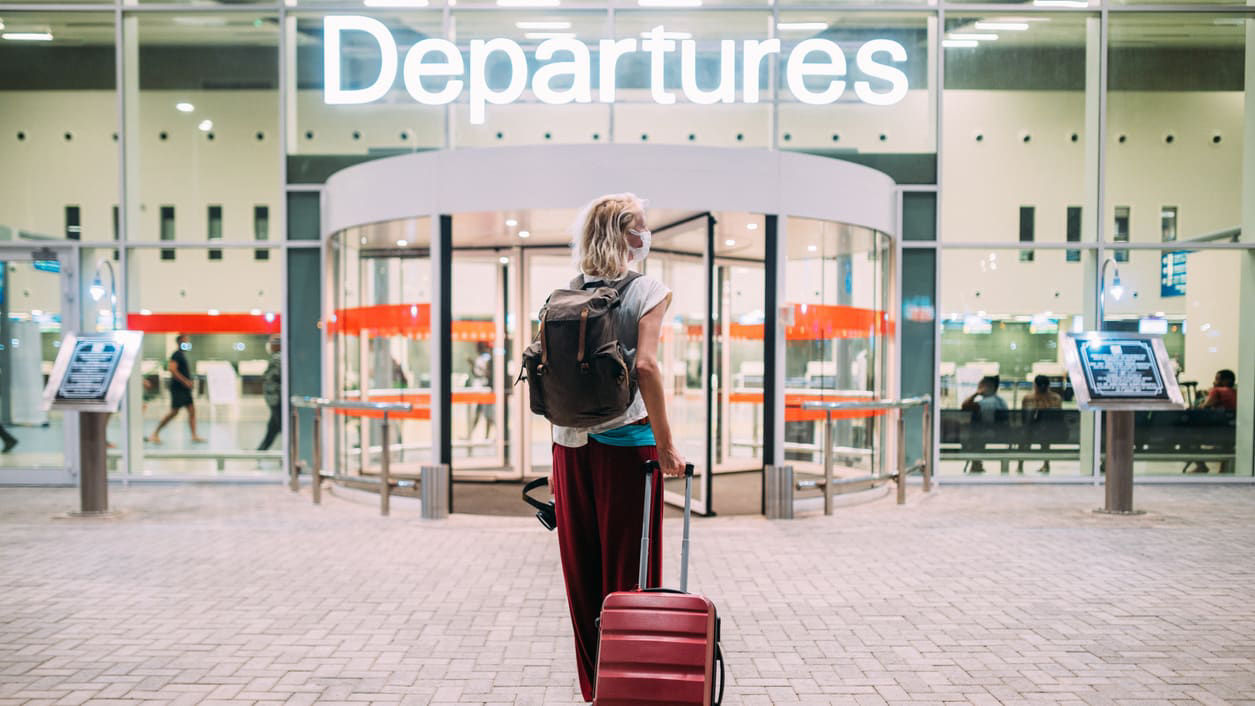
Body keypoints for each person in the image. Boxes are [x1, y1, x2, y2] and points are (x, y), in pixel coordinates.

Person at [549, 193, 685, 702]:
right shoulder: (648, 288)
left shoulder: (568, 291)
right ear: (624, 236)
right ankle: (630, 685)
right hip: (626, 445)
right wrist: (667, 447)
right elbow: (646, 367)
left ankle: (596, 686)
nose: (646, 235)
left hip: (569, 447)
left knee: (581, 571)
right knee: (630, 570)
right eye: (641, 227)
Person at [147, 334, 206, 444]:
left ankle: (194, 435)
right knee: (174, 412)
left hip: (185, 389)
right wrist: (185, 381)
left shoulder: (182, 355)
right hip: (179, 389)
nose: (187, 343)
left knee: (192, 411)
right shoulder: (176, 355)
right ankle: (155, 433)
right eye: (185, 341)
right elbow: (172, 369)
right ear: (179, 342)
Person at [1187, 369, 1237, 474]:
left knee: (1189, 438)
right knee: (1227, 445)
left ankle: (1201, 466)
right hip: (1231, 432)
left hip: (1213, 432)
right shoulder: (1236, 393)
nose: (1214, 382)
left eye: (1217, 379)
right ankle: (1224, 469)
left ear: (1226, 381)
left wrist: (1204, 400)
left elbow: (1205, 406)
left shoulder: (1217, 391)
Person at [960, 375, 1007, 474]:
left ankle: (976, 463)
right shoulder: (1001, 402)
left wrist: (976, 393)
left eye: (980, 386)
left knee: (973, 432)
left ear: (987, 387)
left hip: (985, 436)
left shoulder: (983, 404)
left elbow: (964, 405)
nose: (978, 388)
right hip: (1000, 434)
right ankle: (977, 464)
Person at [1019, 374, 1062, 474]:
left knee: (1028, 436)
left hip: (1034, 431)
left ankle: (1020, 464)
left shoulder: (1028, 398)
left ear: (1035, 385)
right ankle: (1046, 464)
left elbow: (1023, 417)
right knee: (1045, 435)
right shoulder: (1055, 398)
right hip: (1047, 432)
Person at [257, 335, 282, 451]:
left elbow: (274, 378)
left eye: (272, 343)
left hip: (277, 400)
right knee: (273, 427)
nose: (269, 345)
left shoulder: (278, 359)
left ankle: (290, 454)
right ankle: (260, 451)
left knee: (281, 426)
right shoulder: (277, 357)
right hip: (276, 400)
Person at [466, 341, 494, 440]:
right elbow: (477, 374)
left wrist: (475, 366)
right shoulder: (481, 358)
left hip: (487, 389)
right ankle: (470, 435)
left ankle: (487, 436)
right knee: (479, 413)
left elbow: (487, 374)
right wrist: (472, 366)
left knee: (488, 415)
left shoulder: (487, 358)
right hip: (482, 389)